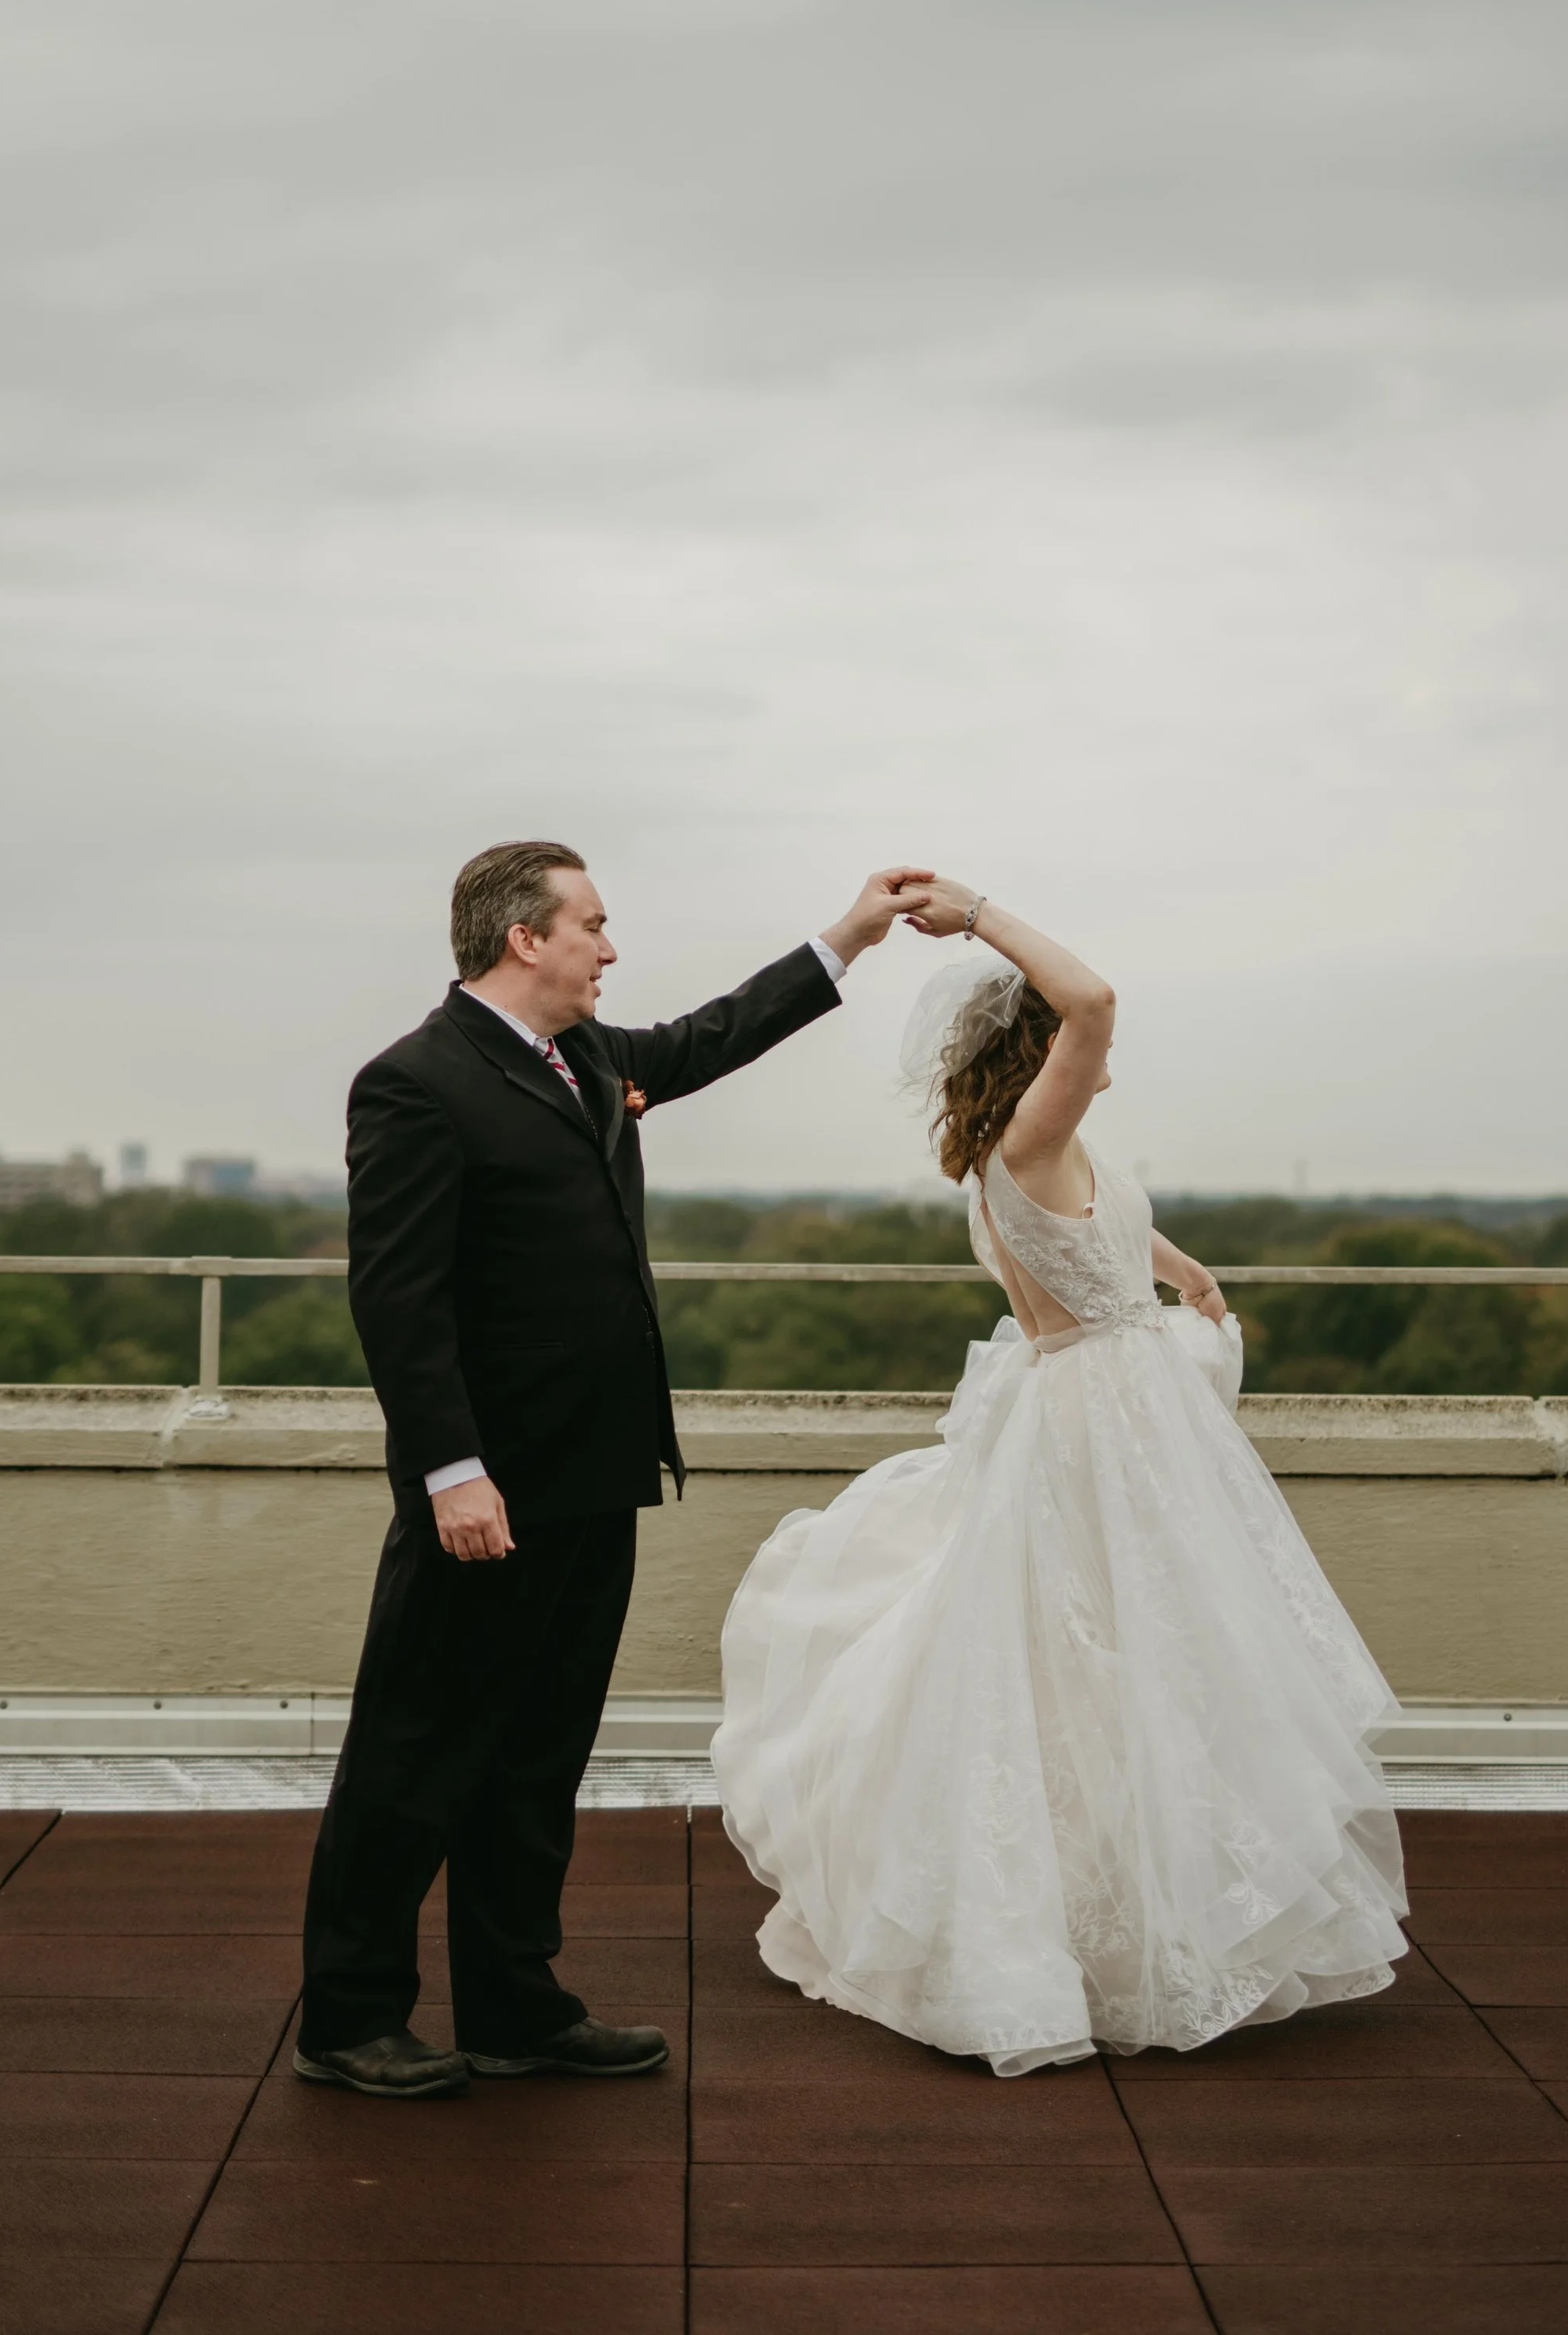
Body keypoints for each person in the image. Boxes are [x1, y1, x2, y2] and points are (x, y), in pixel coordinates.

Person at [714, 878, 1408, 2074]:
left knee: (1111, 1667)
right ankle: (1099, 1935)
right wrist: (976, 910)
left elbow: (1096, 1233)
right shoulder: (1036, 1133)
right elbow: (1094, 994)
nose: (1099, 1055)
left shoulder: (1020, 1154)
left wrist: (1180, 1268)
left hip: (1086, 1404)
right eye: (1073, 1046)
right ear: (1044, 1053)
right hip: (1108, 1417)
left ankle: (1125, 1914)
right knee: (1128, 1660)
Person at [297, 838, 931, 2096]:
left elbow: (709, 1036)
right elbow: (401, 1304)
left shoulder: (587, 1059)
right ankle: (348, 2016)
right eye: (591, 922)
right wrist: (451, 1472)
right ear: (523, 938)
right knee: (416, 1752)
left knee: (538, 1754)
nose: (610, 944)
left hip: (598, 1472)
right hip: (488, 1488)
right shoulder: (415, 1083)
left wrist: (849, 935)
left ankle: (514, 2005)